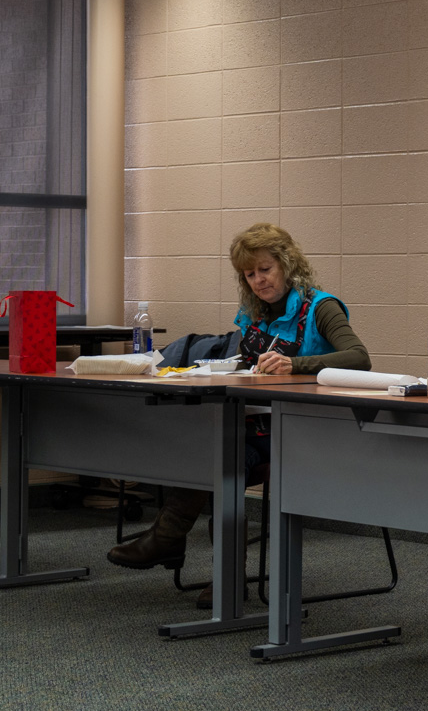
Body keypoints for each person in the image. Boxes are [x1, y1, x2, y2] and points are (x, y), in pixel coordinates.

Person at [107, 222, 371, 606]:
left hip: (306, 429)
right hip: (254, 424)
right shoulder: (252, 314)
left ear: (286, 265)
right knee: (208, 446)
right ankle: (203, 560)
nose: (258, 280)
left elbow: (359, 357)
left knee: (220, 456)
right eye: (249, 274)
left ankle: (181, 548)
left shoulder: (321, 307)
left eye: (265, 269)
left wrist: (295, 364)